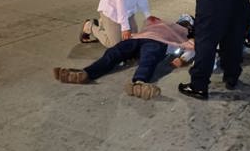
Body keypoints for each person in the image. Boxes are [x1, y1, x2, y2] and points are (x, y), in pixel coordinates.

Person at [55, 18, 195, 100]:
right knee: (120, 54)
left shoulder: (170, 28)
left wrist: (183, 58)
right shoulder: (181, 33)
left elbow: (192, 49)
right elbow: (193, 48)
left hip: (145, 40)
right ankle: (87, 73)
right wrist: (183, 59)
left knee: (122, 54)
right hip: (147, 40)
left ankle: (138, 82)